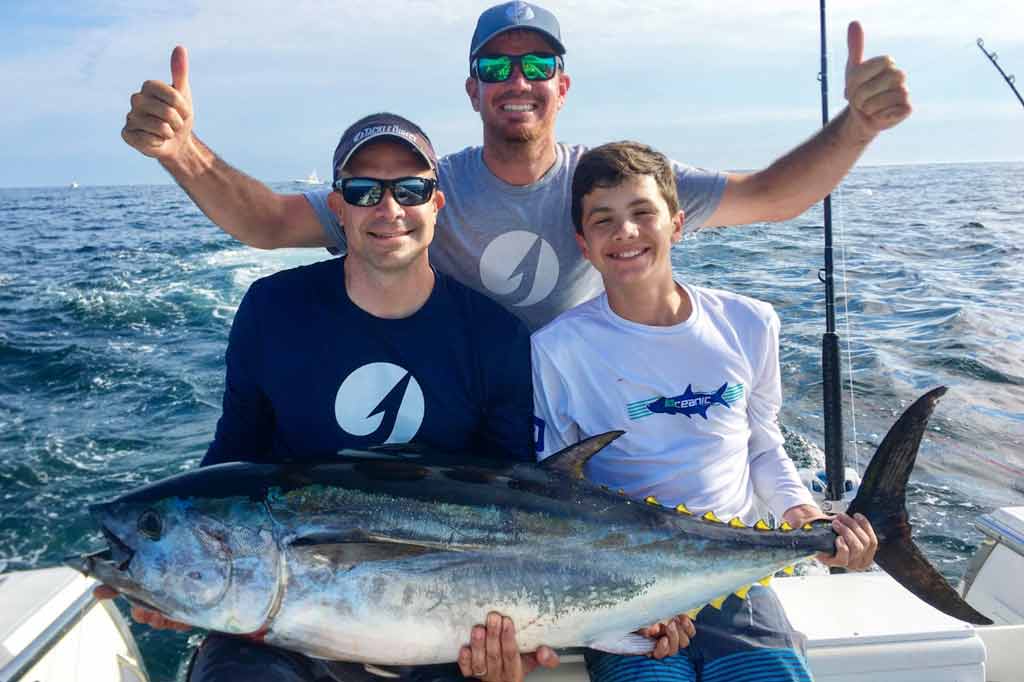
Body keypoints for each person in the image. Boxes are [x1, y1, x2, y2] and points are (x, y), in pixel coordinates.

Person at [98, 112, 559, 682]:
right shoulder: (274, 310)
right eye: (363, 191)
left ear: (436, 204)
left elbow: (517, 495)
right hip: (284, 629)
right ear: (337, 208)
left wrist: (516, 637)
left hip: (448, 626)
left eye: (410, 189)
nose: (388, 210)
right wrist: (188, 582)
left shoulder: (496, 334)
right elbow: (231, 459)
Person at [121, 1, 911, 333]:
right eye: (494, 70)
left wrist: (858, 124)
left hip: (585, 413)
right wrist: (180, 150)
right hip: (472, 417)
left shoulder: (617, 186)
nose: (517, 82)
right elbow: (266, 224)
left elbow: (775, 196)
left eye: (536, 65)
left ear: (563, 84)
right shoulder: (425, 191)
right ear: (472, 89)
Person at [531, 141, 878, 682]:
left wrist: (804, 517)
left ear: (677, 223)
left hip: (735, 578)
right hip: (625, 585)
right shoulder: (557, 349)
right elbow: (557, 493)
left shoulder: (750, 323)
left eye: (642, 213)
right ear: (583, 243)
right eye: (604, 220)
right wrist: (626, 598)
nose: (625, 232)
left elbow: (761, 442)